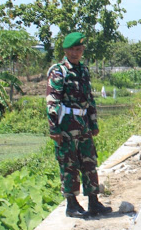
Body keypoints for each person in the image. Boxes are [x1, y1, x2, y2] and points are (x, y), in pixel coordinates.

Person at [47, 32, 112, 218]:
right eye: (72, 50)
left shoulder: (83, 71)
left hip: (83, 123)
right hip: (66, 124)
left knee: (89, 161)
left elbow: (89, 99)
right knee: (69, 163)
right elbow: (52, 101)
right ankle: (72, 204)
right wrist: (54, 128)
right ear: (66, 50)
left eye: (79, 49)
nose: (75, 53)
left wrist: (93, 123)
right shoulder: (59, 71)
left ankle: (93, 201)